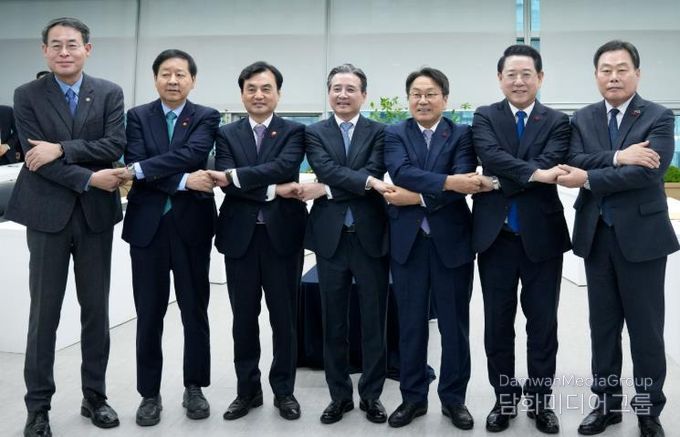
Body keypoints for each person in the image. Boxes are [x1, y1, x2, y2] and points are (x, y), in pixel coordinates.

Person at [4, 17, 126, 437]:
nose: (64, 52)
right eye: (55, 45)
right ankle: (38, 407)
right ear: (44, 51)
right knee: (44, 315)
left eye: (72, 44)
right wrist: (89, 177)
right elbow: (35, 161)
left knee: (96, 311)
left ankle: (95, 397)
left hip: (95, 219)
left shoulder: (109, 92)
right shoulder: (27, 95)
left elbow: (114, 144)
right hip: (46, 216)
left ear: (87, 49)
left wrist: (61, 148)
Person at [556, 40, 679, 437]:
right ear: (596, 76)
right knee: (603, 327)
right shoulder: (583, 118)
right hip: (596, 236)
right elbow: (572, 160)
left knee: (646, 330)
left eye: (621, 69)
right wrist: (618, 156)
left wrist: (591, 176)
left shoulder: (659, 116)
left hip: (643, 238)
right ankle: (606, 406)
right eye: (605, 70)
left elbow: (648, 171)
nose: (613, 76)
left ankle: (648, 410)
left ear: (637, 74)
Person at [471, 44, 571, 434]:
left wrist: (499, 180)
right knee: (497, 324)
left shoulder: (559, 121)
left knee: (542, 324)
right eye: (511, 74)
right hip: (495, 238)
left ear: (540, 78)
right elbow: (490, 154)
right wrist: (533, 174)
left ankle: (541, 401)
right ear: (500, 79)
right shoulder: (484, 116)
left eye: (526, 73)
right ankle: (505, 398)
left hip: (542, 238)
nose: (518, 81)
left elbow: (551, 161)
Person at [117, 49, 220, 426]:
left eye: (180, 74)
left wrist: (142, 170)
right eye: (165, 73)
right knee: (149, 313)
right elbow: (138, 157)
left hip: (192, 226)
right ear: (155, 78)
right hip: (148, 229)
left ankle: (195, 387)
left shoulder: (206, 116)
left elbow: (193, 153)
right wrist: (182, 180)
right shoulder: (137, 116)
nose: (173, 80)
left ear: (193, 80)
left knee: (195, 311)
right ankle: (149, 393)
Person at [382, 67, 483, 429]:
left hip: (451, 243)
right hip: (407, 244)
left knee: (454, 327)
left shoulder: (462, 134)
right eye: (416, 94)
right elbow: (401, 173)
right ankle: (413, 398)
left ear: (445, 98)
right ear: (408, 98)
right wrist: (447, 182)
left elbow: (465, 181)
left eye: (430, 94)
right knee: (411, 325)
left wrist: (417, 198)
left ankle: (454, 399)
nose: (423, 101)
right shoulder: (394, 133)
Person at [207, 61, 307, 421]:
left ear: (278, 94)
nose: (259, 95)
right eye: (251, 88)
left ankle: (284, 391)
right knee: (243, 319)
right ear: (242, 94)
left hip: (283, 238)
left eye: (266, 88)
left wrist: (237, 177)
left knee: (285, 319)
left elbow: (283, 168)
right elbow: (226, 181)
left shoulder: (295, 131)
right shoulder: (226, 133)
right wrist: (272, 189)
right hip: (241, 239)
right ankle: (247, 391)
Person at [300, 63, 393, 424]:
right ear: (329, 93)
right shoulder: (314, 132)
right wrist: (364, 183)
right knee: (333, 322)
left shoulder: (381, 132)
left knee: (374, 321)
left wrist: (326, 189)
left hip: (370, 237)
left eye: (350, 89)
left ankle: (371, 395)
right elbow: (327, 169)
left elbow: (373, 169)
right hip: (331, 239)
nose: (343, 94)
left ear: (363, 95)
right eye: (336, 88)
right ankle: (339, 396)